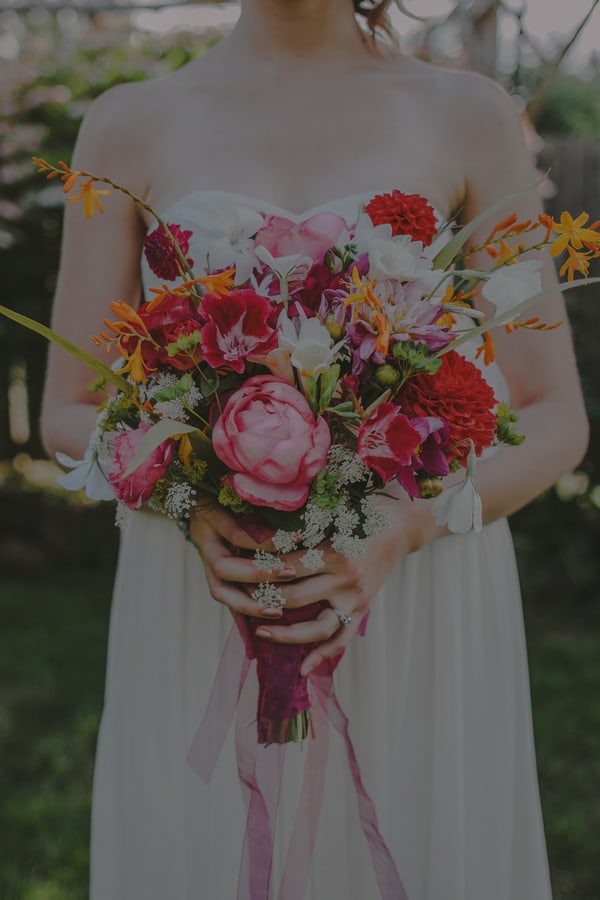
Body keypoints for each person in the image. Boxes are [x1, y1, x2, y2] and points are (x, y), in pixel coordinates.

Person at [40, 1, 589, 897]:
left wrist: (405, 529)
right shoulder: (126, 121)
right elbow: (68, 406)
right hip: (203, 596)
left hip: (416, 601)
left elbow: (555, 413)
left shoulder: (468, 113)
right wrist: (190, 494)